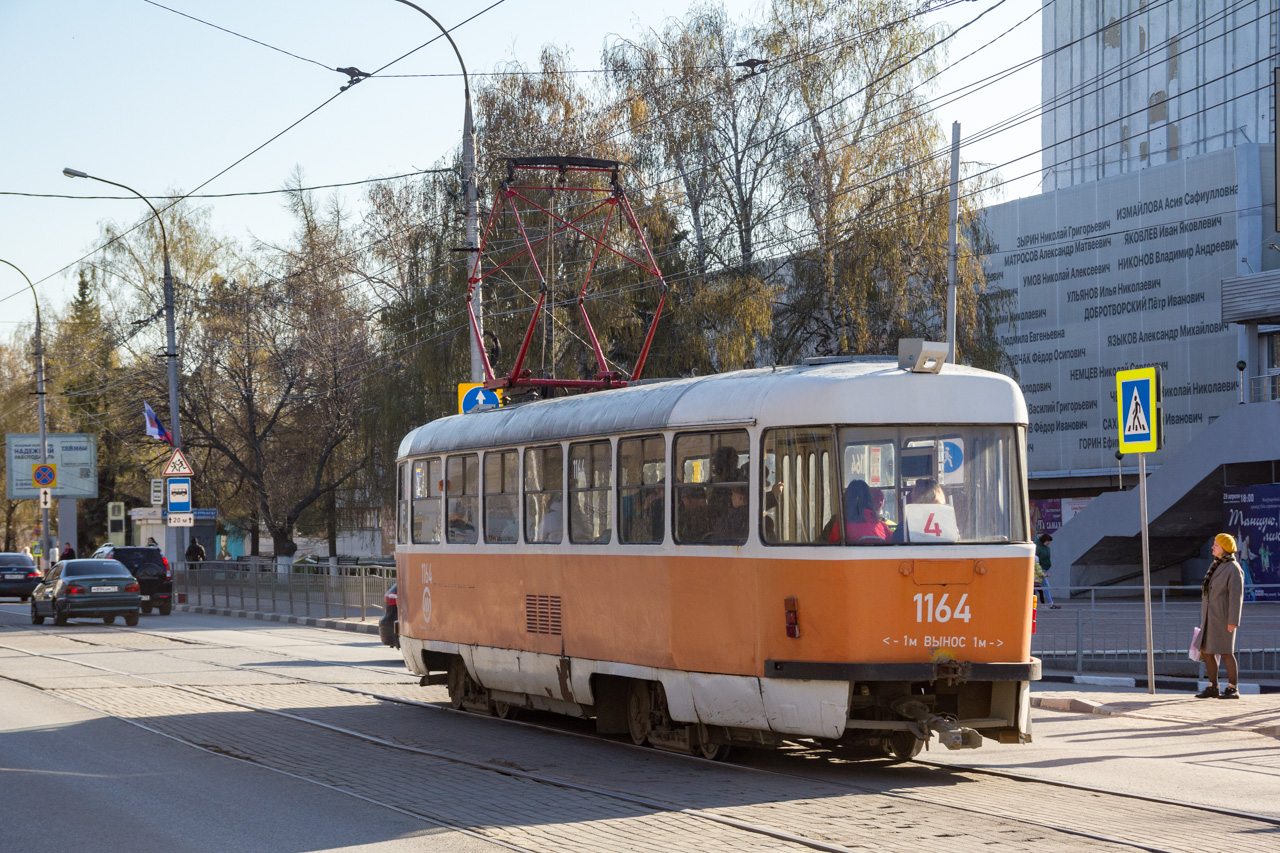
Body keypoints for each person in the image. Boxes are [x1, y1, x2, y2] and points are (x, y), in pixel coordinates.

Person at [1195, 533, 1245, 699]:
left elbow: (1236, 597)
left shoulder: (1233, 568)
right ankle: (1213, 686)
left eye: (1216, 544)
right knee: (1207, 651)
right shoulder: (1215, 564)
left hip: (1223, 618)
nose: (1212, 547)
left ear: (1224, 548)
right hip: (1210, 617)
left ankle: (1232, 687)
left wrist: (1233, 621)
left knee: (1225, 652)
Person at [1035, 533, 1060, 609]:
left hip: (1043, 569)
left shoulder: (1045, 547)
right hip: (1040, 569)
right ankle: (1051, 604)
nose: (1049, 543)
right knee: (1046, 586)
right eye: (1048, 541)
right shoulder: (1038, 548)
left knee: (1036, 588)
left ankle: (1028, 603)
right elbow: (1036, 559)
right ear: (1043, 541)